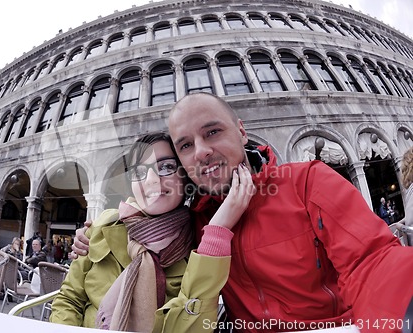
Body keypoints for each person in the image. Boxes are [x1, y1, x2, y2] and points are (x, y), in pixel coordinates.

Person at [74, 93, 413, 332]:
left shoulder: (307, 183)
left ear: (241, 131)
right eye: (187, 146)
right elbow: (148, 219)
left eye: (212, 132)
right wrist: (98, 232)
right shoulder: (194, 223)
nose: (203, 152)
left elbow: (371, 261)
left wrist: (405, 309)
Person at [50, 132, 254, 332]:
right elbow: (68, 300)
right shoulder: (103, 226)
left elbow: (193, 326)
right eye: (139, 172)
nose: (151, 180)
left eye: (166, 167)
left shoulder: (202, 243)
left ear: (185, 177)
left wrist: (218, 231)